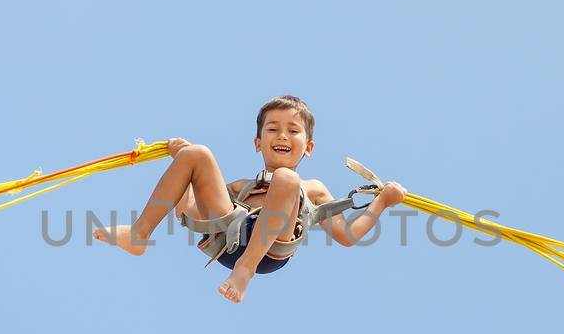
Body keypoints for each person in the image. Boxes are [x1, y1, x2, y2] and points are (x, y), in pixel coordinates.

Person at [93, 95, 406, 303]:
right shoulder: (241, 187)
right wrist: (183, 160)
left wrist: (382, 202)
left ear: (308, 147)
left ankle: (245, 269)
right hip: (226, 237)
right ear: (259, 143)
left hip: (268, 252)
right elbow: (188, 211)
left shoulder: (312, 188)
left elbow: (347, 236)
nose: (282, 136)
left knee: (287, 179)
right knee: (198, 153)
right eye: (273, 129)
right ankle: (139, 234)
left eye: (292, 131)